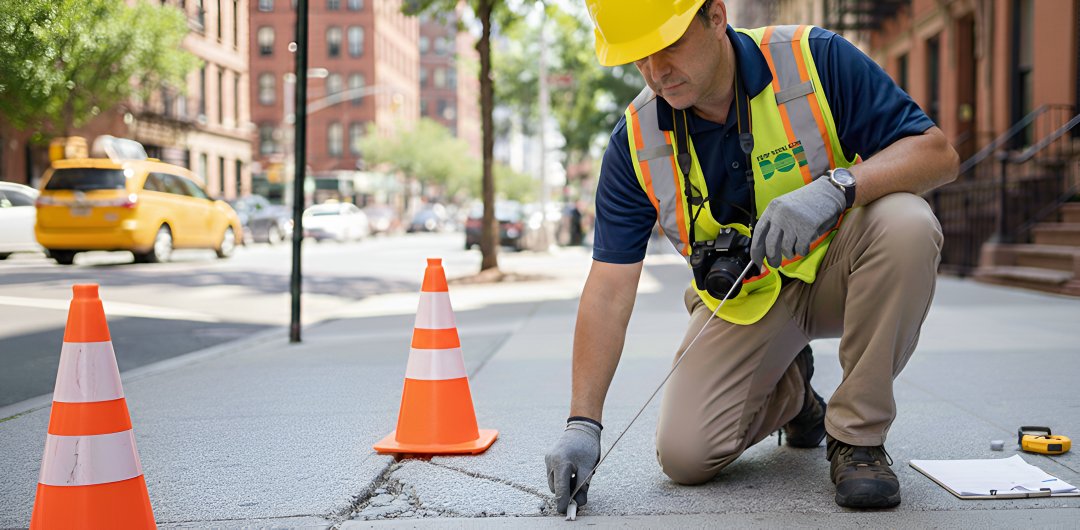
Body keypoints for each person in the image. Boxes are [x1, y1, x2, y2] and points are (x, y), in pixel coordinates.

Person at [544, 0, 959, 513]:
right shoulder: (635, 140)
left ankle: (858, 437)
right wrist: (582, 425)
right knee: (684, 456)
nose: (656, 73)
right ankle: (792, 393)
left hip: (843, 269)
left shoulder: (814, 62)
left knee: (907, 223)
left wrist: (837, 189)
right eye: (639, 58)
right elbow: (609, 287)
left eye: (668, 47)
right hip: (746, 298)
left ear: (716, 17)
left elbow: (937, 154)